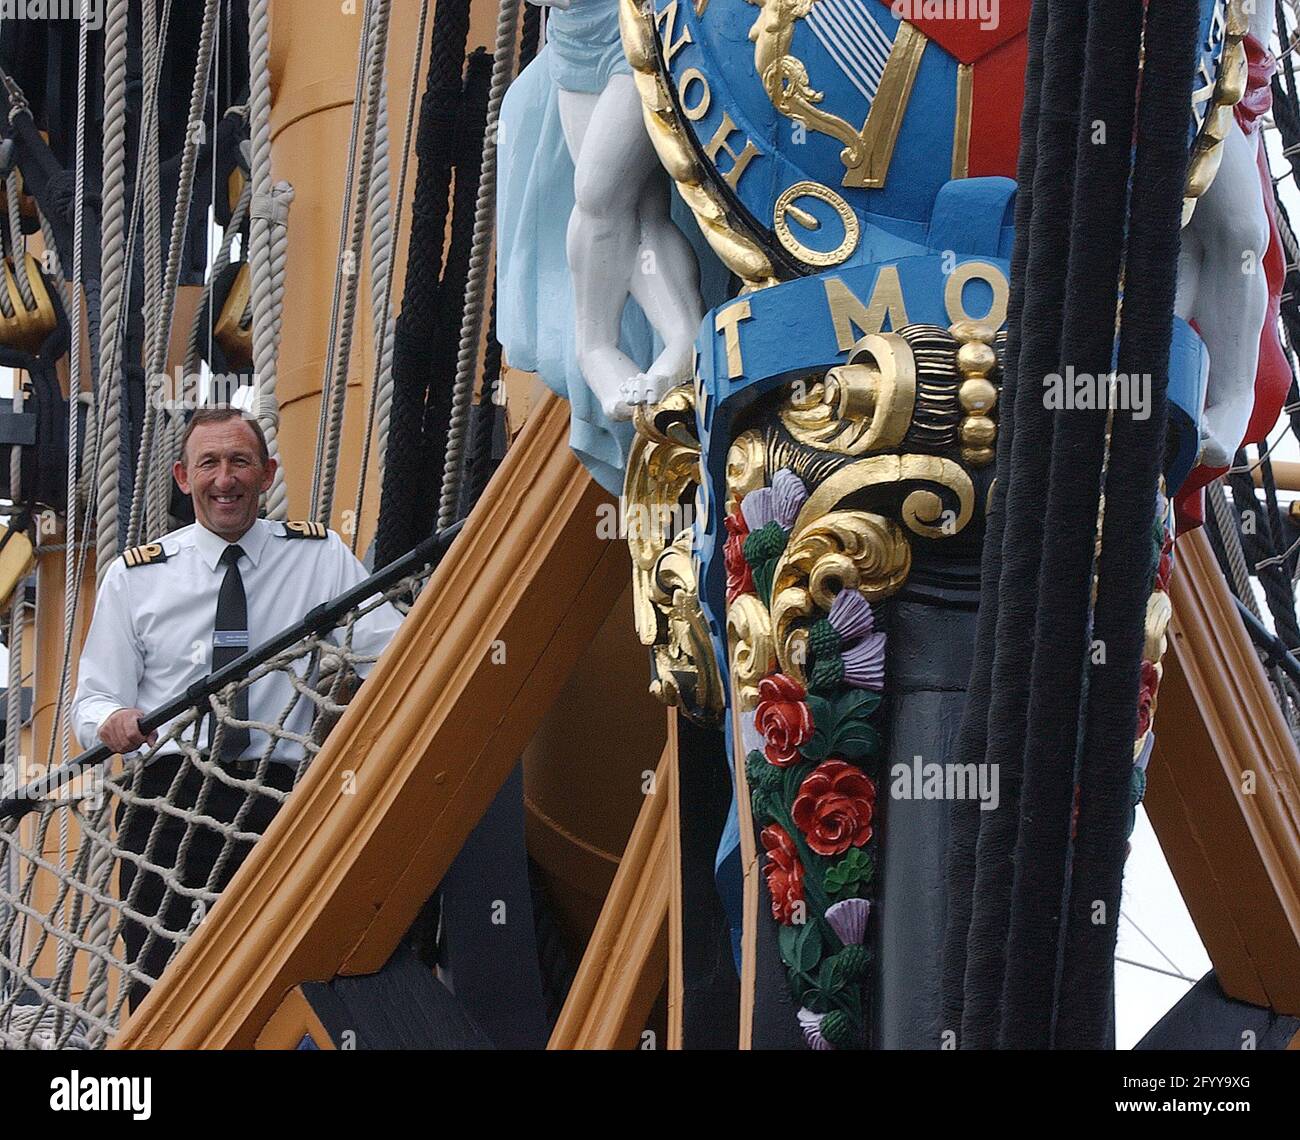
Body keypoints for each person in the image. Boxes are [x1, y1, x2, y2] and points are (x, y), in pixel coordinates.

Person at [71, 406, 403, 1010]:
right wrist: (110, 721)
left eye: (240, 462)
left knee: (285, 970)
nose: (225, 478)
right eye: (209, 463)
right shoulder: (135, 578)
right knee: (156, 972)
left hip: (280, 795)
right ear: (182, 476)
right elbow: (93, 699)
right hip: (166, 795)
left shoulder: (319, 557)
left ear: (268, 473)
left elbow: (393, 654)